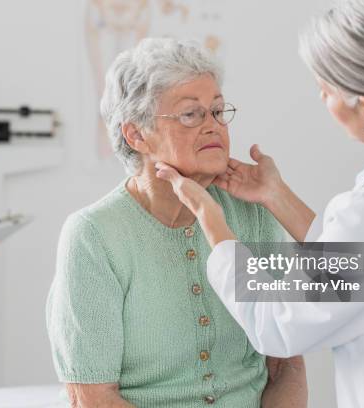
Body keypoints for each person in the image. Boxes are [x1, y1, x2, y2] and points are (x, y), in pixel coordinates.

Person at [154, 0, 364, 407]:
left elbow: (276, 325)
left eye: (325, 90)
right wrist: (277, 196)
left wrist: (213, 223)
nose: (322, 100)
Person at [46, 38, 307, 407]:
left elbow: (286, 365)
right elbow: (92, 397)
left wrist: (278, 197)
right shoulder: (93, 236)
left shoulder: (254, 212)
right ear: (136, 134)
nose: (213, 126)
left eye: (218, 111)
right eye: (191, 114)